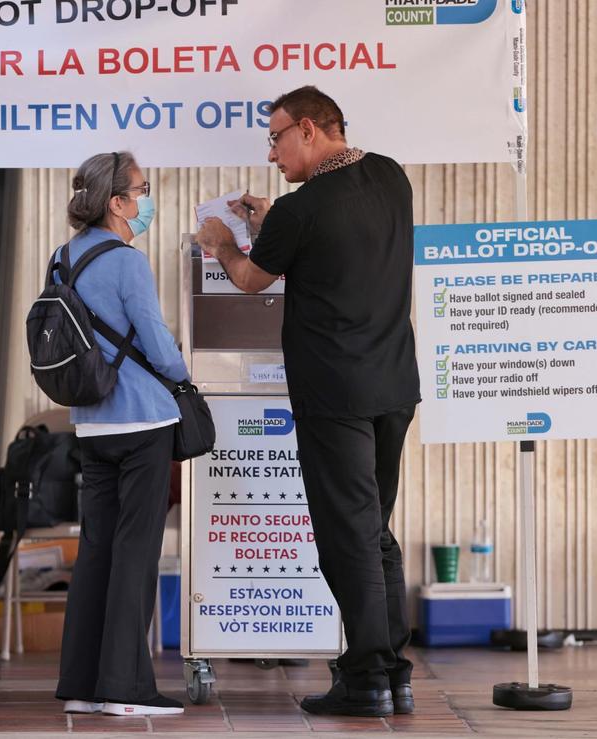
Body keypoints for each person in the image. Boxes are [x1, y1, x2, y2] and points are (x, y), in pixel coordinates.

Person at [196, 86, 421, 718]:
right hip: (394, 385)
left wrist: (221, 242)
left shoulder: (302, 209)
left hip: (335, 394)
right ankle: (394, 675)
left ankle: (366, 678)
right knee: (374, 528)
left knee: (345, 535)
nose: (272, 153)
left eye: (276, 137)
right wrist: (273, 223)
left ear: (312, 130)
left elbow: (251, 279)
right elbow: (334, 248)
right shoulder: (391, 177)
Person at [53, 151, 189, 717]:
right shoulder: (127, 261)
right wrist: (184, 373)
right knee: (136, 552)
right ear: (117, 202)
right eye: (141, 190)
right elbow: (155, 341)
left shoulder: (62, 259)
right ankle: (126, 689)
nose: (145, 200)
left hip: (91, 423)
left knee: (96, 551)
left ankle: (83, 687)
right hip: (142, 423)